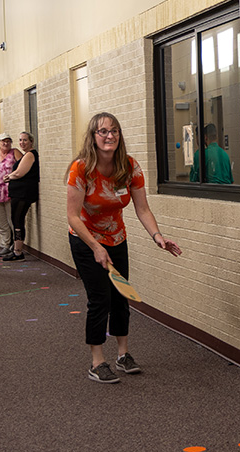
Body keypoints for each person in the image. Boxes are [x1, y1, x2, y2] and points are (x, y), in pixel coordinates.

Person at [66, 112, 182, 384]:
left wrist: (158, 237)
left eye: (114, 131)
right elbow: (72, 215)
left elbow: (142, 208)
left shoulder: (129, 167)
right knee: (100, 299)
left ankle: (123, 354)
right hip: (85, 239)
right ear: (93, 137)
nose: (110, 136)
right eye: (103, 131)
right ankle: (97, 361)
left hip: (116, 238)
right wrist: (95, 246)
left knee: (121, 296)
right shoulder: (81, 168)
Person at [4, 131, 39, 261]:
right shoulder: (26, 155)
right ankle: (16, 250)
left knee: (18, 220)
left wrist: (8, 177)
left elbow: (19, 173)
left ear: (31, 142)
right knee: (16, 220)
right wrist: (11, 176)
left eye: (25, 140)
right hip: (19, 193)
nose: (22, 143)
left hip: (23, 193)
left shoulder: (30, 155)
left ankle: (18, 252)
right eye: (20, 140)